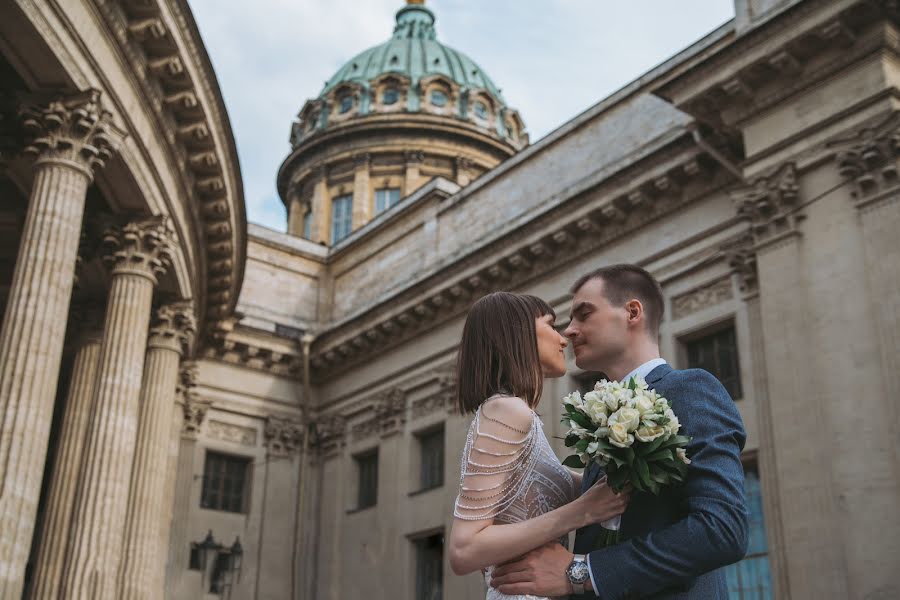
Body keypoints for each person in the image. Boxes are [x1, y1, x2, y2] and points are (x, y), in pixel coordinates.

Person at [489, 265, 749, 599]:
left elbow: (723, 528)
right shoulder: (600, 418)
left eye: (584, 314)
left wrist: (579, 572)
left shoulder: (690, 389)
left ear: (632, 312)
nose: (570, 331)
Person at [448, 291, 630, 600]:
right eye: (551, 325)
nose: (563, 339)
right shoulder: (507, 412)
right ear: (516, 334)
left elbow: (585, 489)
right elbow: (464, 549)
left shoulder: (520, 416)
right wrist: (582, 512)